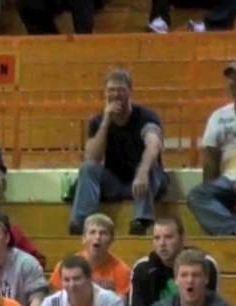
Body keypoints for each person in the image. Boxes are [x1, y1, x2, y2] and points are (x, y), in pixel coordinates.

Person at [69, 69, 166, 237]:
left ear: (130, 91)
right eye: (111, 90)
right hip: (116, 182)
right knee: (87, 168)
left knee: (148, 164)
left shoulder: (146, 116)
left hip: (146, 182)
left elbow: (153, 145)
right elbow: (93, 157)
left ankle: (141, 221)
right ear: (105, 93)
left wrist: (142, 173)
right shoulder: (98, 121)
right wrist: (106, 120)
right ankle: (81, 223)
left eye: (121, 89)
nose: (116, 94)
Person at [188, 62, 236, 237]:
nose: (233, 82)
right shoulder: (218, 116)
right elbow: (210, 156)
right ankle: (235, 231)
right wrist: (210, 186)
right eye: (230, 78)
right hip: (230, 181)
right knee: (197, 195)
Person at [129, 216, 220, 306]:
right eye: (157, 238)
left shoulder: (205, 263)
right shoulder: (142, 268)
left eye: (168, 237)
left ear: (182, 238)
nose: (162, 244)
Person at [49, 213, 132, 296]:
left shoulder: (122, 270)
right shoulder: (65, 266)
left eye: (103, 233)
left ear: (111, 240)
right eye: (92, 232)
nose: (98, 237)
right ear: (83, 238)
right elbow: (55, 302)